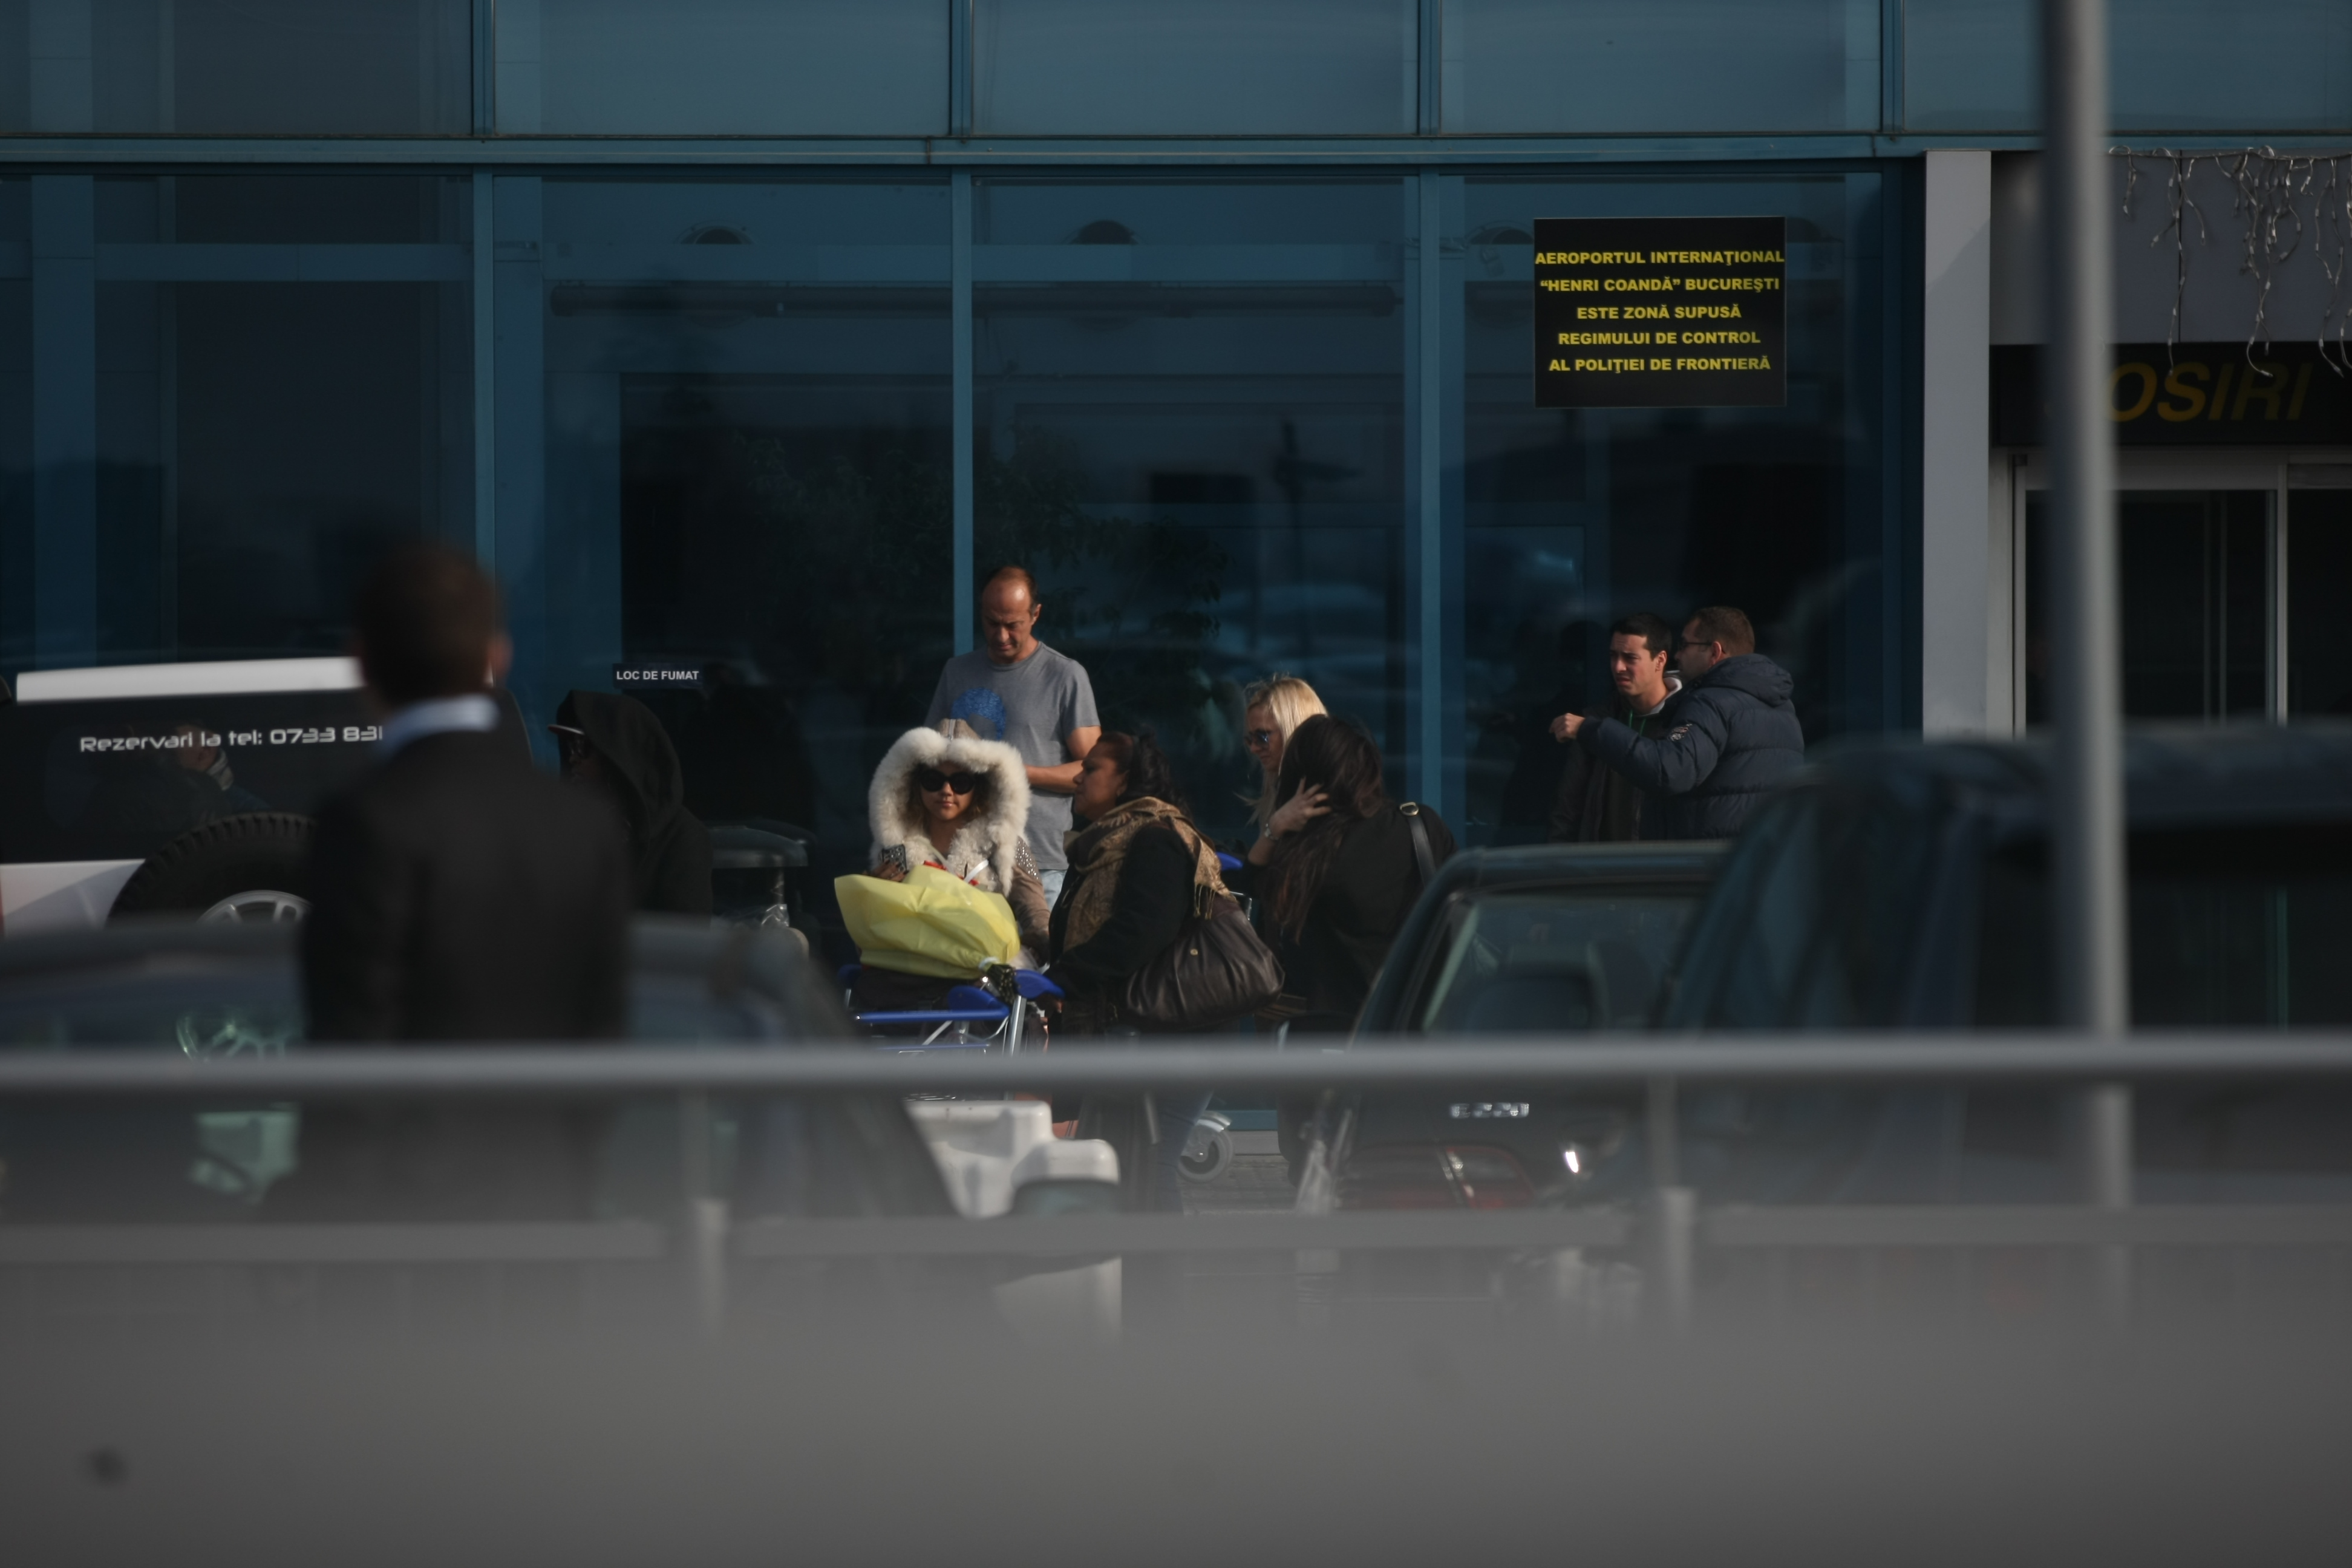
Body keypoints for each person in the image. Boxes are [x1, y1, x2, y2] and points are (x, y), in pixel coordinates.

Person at [274, 546, 633, 1221]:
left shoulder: (364, 820)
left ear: (362, 662)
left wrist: (313, 1220)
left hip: (406, 1228)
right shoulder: (580, 827)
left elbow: (350, 1049)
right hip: (551, 1212)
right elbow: (602, 1040)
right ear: (498, 657)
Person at [1047, 731, 1230, 1211]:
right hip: (1137, 1031)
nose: (1079, 777)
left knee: (1151, 1168)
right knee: (1128, 1170)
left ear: (1125, 779)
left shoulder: (1155, 839)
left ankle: (1158, 1285)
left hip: (1173, 1035)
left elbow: (1142, 932)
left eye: (1092, 769)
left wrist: (1068, 975)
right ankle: (1131, 1281)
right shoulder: (1103, 844)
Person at [1240, 715, 1455, 1034]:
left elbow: (1248, 883)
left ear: (1303, 782)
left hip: (1333, 1043)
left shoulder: (1305, 858)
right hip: (1416, 1028)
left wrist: (1275, 827)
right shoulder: (1421, 826)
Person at [925, 566, 1100, 907]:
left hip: (1039, 859)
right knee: (969, 959)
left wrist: (1013, 771)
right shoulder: (956, 672)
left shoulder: (1064, 676)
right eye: (992, 623)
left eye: (1013, 625)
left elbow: (1092, 773)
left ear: (1036, 614)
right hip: (963, 858)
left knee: (1037, 956)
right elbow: (926, 759)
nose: (1001, 635)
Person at [1552, 605, 1805, 841]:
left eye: (1685, 645)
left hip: (1708, 870)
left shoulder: (1711, 702)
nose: (1678, 655)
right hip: (1763, 865)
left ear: (1714, 652)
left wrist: (1590, 728)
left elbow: (1669, 772)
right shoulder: (1782, 708)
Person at [866, 719, 1053, 962]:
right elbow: (877, 928)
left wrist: (1022, 961)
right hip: (913, 976)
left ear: (980, 788)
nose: (946, 791)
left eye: (961, 783)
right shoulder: (894, 849)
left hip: (981, 982)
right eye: (933, 780)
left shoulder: (1007, 845)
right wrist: (873, 897)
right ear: (913, 784)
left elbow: (1037, 916)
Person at [552, 689, 713, 916]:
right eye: (569, 747)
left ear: (616, 755)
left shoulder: (683, 838)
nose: (573, 758)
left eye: (582, 746)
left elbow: (687, 942)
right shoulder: (570, 827)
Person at [1547, 612, 1681, 843]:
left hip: (1663, 869)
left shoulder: (1687, 719)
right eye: (1613, 656)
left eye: (1630, 658)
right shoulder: (1597, 719)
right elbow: (1568, 810)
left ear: (1660, 661)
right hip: (1603, 869)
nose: (1618, 667)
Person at [1238, 673, 1327, 844]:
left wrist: (1274, 828)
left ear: (1293, 730)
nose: (1253, 748)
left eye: (1262, 737)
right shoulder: (1281, 789)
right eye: (1250, 739)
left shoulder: (1320, 797)